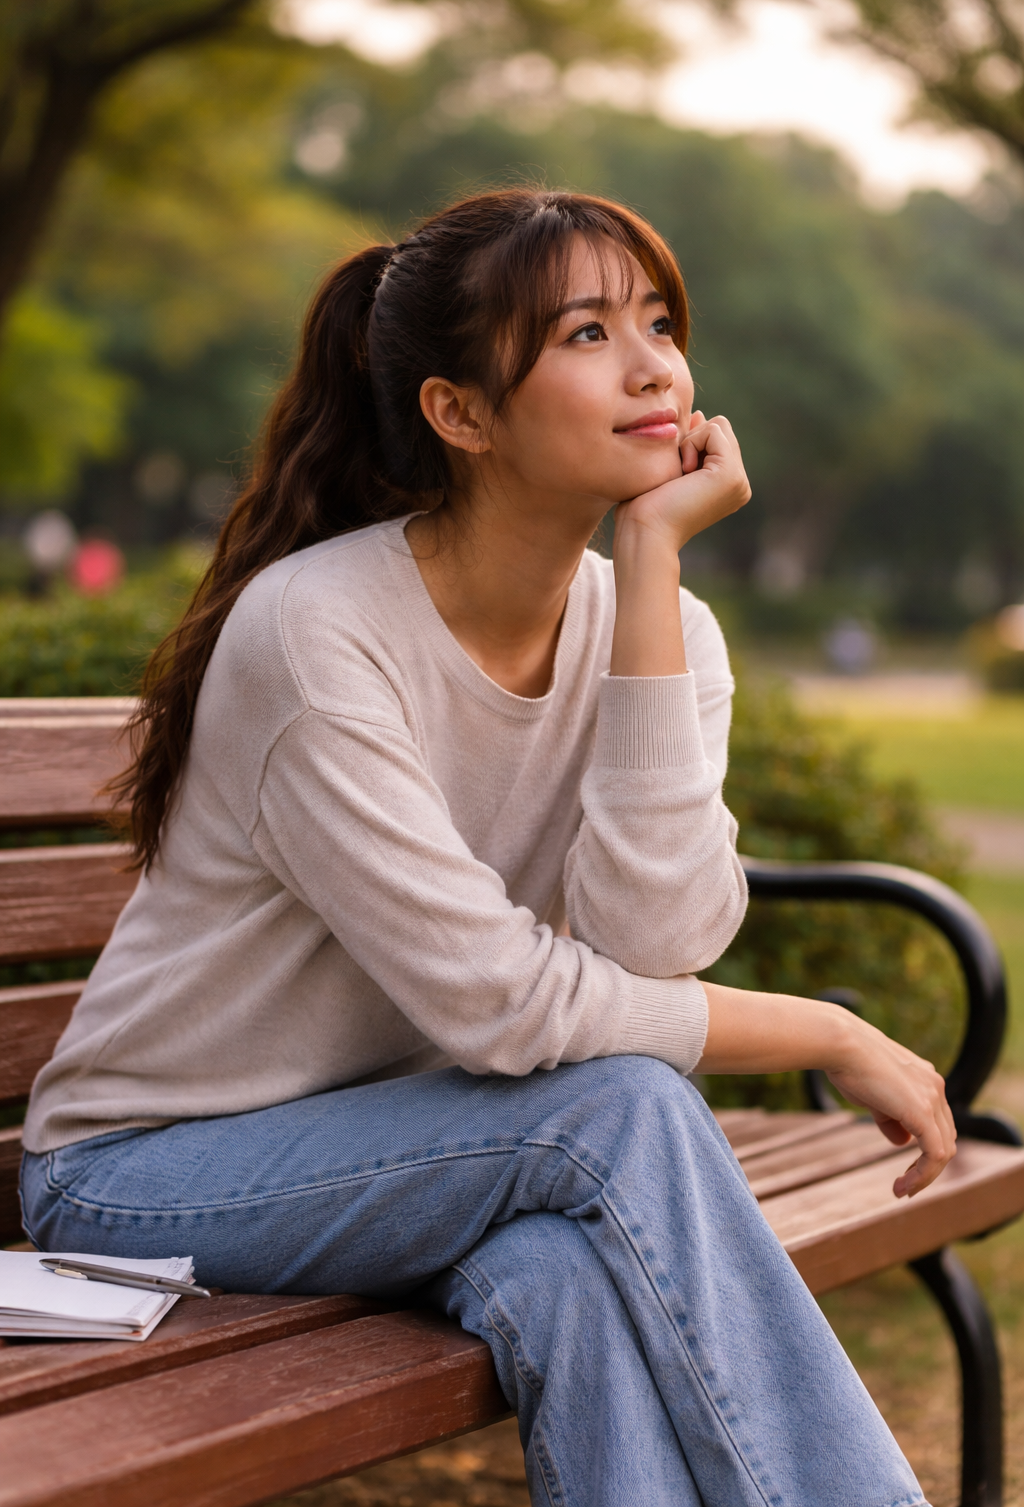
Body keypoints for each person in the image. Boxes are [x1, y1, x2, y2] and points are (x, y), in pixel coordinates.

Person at [21, 189, 953, 1506]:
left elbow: (657, 941)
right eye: (586, 332)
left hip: (429, 1150)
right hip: (151, 1173)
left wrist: (647, 581)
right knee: (616, 1111)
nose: (655, 368)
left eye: (659, 322)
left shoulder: (667, 626)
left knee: (561, 1277)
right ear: (460, 413)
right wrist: (832, 1031)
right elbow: (506, 1008)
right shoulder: (317, 632)